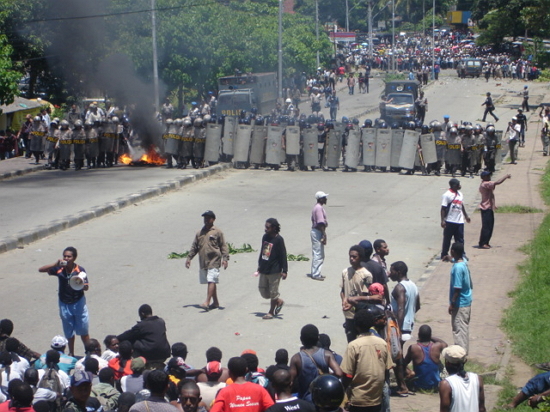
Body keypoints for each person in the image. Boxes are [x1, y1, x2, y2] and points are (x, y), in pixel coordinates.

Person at [38, 247, 90, 356]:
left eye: (69, 256)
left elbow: (86, 286)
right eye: (65, 256)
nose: (66, 258)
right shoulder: (59, 269)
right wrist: (54, 264)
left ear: (74, 258)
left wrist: (81, 285)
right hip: (64, 304)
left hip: (78, 302)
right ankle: (71, 353)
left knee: (83, 331)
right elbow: (41, 269)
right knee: (69, 331)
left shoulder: (80, 270)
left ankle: (89, 352)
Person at [340, 309, 393, 412]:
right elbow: (387, 370)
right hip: (376, 399)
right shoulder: (382, 343)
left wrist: (344, 392)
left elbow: (347, 375)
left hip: (358, 401)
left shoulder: (353, 346)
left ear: (356, 326)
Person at [185, 211, 229, 310]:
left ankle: (207, 302)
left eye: (208, 218)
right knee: (210, 281)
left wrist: (225, 259)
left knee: (211, 280)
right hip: (204, 261)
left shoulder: (217, 232)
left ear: (213, 219)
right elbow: (194, 247)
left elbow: (223, 246)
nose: (206, 220)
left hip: (215, 260)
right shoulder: (199, 233)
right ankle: (216, 302)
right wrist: (189, 258)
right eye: (205, 218)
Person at [289, 324, 342, 403]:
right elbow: (339, 373)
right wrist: (326, 376)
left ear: (301, 339)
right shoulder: (326, 355)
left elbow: (290, 381)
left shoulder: (296, 358)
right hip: (323, 399)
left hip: (305, 400)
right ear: (318, 338)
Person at [209, 357, 274, 412]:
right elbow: (273, 408)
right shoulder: (260, 389)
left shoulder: (224, 392)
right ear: (246, 370)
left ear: (229, 373)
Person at [117, 304, 171, 369]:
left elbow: (127, 335)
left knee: (130, 341)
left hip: (149, 355)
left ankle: (130, 365)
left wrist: (116, 339)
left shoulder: (141, 325)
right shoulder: (161, 321)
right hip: (163, 354)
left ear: (142, 314)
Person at [340, 246, 373, 342]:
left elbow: (367, 295)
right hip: (348, 314)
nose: (351, 259)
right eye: (350, 256)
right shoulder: (345, 272)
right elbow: (342, 291)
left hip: (360, 314)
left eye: (354, 257)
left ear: (361, 258)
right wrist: (344, 301)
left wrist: (352, 303)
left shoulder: (366, 275)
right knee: (350, 340)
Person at [257, 218, 288, 320]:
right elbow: (263, 252)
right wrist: (260, 265)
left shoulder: (279, 239)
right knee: (264, 291)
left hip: (275, 270)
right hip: (264, 269)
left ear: (274, 228)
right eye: (265, 226)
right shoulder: (265, 237)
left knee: (273, 292)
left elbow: (283, 255)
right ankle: (279, 301)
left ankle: (271, 312)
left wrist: (284, 270)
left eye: (267, 227)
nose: (265, 229)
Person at [439, 345, 485, 412]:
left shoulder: (446, 384)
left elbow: (444, 410)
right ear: (465, 361)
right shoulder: (478, 379)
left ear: (447, 363)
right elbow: (482, 408)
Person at [403, 325, 447, 391]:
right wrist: (430, 337)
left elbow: (404, 364)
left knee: (401, 365)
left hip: (418, 385)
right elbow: (444, 344)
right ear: (430, 335)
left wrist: (408, 372)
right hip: (435, 385)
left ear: (418, 335)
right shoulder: (437, 346)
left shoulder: (413, 348)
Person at [448, 243, 472, 354]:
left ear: (453, 251)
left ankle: (460, 355)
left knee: (459, 330)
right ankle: (464, 352)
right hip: (466, 301)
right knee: (464, 328)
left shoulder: (458, 268)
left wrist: (452, 303)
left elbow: (457, 288)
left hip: (460, 303)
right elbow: (458, 261)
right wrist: (450, 259)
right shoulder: (463, 263)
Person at [478, 171, 511, 249]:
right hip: (485, 208)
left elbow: (491, 195)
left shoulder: (487, 184)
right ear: (483, 177)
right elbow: (497, 182)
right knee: (486, 226)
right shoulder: (485, 184)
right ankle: (483, 243)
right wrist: (506, 176)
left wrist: (493, 204)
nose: (489, 177)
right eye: (487, 176)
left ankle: (486, 242)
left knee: (490, 226)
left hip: (488, 207)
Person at [440, 179, 470, 260]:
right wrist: (442, 220)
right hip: (450, 220)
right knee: (447, 239)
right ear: (453, 186)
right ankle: (444, 254)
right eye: (458, 185)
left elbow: (461, 205)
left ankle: (461, 254)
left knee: (460, 239)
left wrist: (466, 216)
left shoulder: (460, 194)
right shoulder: (446, 195)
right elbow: (443, 208)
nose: (460, 186)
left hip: (459, 221)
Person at [308, 192, 328, 281]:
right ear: (320, 199)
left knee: (319, 253)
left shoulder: (317, 207)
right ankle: (315, 274)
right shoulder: (319, 208)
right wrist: (324, 234)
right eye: (324, 197)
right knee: (318, 253)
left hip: (317, 231)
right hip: (318, 232)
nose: (326, 199)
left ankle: (317, 272)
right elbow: (320, 223)